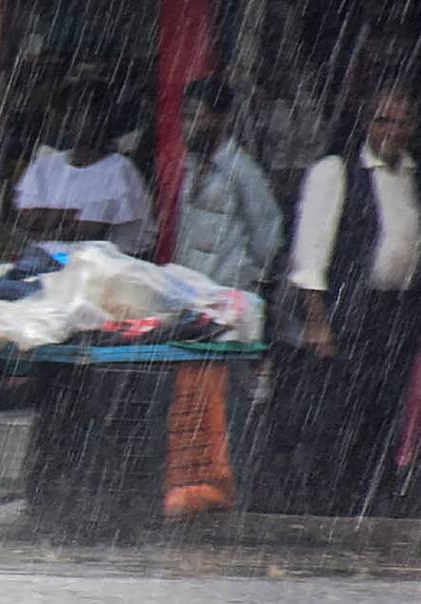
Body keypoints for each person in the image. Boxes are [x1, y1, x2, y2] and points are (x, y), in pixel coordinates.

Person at [275, 83, 421, 517]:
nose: (392, 131)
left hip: (394, 315)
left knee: (381, 411)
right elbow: (310, 253)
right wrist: (317, 320)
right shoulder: (336, 171)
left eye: (401, 122)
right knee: (339, 413)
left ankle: (363, 502)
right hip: (349, 312)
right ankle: (327, 506)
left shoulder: (412, 176)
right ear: (366, 122)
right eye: (383, 120)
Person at [163, 77, 285, 517]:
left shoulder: (243, 173)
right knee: (189, 405)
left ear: (221, 118)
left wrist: (245, 292)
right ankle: (192, 493)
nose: (190, 125)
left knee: (224, 409)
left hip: (228, 314)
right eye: (187, 116)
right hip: (193, 309)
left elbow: (269, 240)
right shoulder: (194, 166)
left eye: (198, 116)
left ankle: (226, 496)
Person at [12, 80, 156, 258]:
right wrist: (70, 215)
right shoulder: (45, 164)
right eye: (64, 112)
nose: (66, 120)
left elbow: (87, 235)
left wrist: (51, 219)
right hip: (51, 268)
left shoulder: (119, 171)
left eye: (76, 112)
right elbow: (26, 219)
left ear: (102, 117)